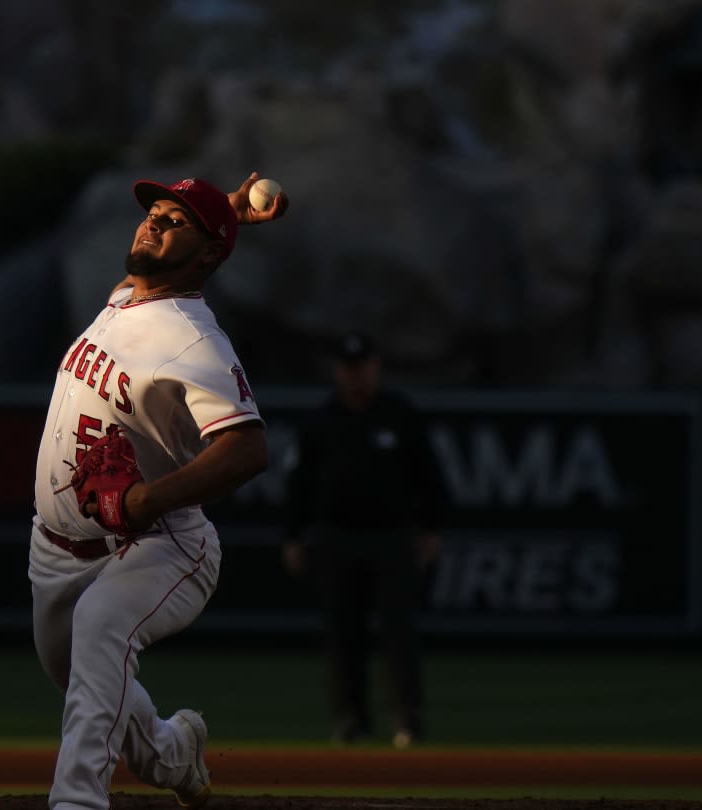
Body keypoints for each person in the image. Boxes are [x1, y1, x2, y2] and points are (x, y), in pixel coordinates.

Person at [28, 172, 289, 810]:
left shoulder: (193, 340)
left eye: (175, 222)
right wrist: (217, 211)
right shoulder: (126, 300)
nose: (153, 222)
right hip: (57, 546)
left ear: (206, 256)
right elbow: (171, 252)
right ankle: (175, 753)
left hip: (158, 543)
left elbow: (248, 448)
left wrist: (146, 501)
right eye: (156, 212)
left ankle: (76, 802)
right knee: (89, 678)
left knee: (99, 634)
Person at [281, 330, 444, 748]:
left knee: (400, 635)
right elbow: (299, 484)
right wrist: (294, 536)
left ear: (376, 368)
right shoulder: (321, 419)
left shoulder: (400, 414)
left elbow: (430, 478)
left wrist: (431, 529)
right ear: (338, 371)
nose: (356, 377)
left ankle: (408, 723)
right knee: (342, 636)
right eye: (348, 369)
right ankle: (350, 723)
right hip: (337, 540)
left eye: (363, 367)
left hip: (392, 539)